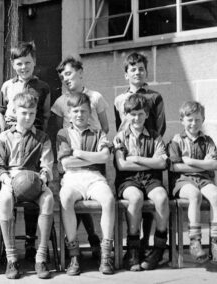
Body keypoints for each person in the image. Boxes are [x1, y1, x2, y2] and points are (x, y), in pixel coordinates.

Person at [0, 41, 51, 260]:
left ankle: (31, 243)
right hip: (12, 137)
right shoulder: (7, 86)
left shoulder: (43, 86)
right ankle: (9, 249)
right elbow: (1, 110)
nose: (23, 67)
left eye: (27, 63)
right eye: (19, 63)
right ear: (13, 64)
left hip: (34, 139)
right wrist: (5, 132)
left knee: (32, 187)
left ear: (34, 62)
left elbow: (45, 115)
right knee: (12, 192)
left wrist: (37, 135)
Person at [0, 92, 54, 279]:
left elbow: (46, 166)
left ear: (36, 114)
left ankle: (41, 256)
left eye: (32, 113)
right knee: (4, 199)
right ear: (14, 112)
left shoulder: (43, 138)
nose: (28, 117)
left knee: (49, 198)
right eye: (24, 113)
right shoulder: (4, 137)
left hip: (34, 178)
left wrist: (41, 180)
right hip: (11, 178)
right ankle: (11, 258)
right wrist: (7, 180)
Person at [51, 56, 107, 258]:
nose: (65, 79)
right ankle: (90, 238)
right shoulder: (60, 102)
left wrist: (91, 150)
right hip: (71, 153)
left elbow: (105, 126)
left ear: (80, 72)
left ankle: (94, 238)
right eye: (61, 77)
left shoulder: (96, 97)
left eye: (68, 73)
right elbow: (60, 131)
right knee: (74, 198)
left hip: (93, 151)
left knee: (90, 195)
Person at [57, 93, 115, 276]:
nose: (79, 115)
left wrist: (77, 153)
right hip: (72, 178)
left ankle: (106, 253)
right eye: (75, 111)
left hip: (94, 176)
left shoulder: (98, 133)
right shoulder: (63, 133)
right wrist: (92, 158)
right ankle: (74, 254)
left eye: (83, 111)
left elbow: (105, 157)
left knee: (108, 199)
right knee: (65, 198)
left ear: (89, 112)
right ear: (69, 113)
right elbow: (65, 164)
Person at [114, 52, 167, 251]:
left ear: (146, 72)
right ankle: (136, 245)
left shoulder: (154, 96)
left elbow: (160, 127)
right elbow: (121, 127)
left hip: (150, 148)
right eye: (133, 69)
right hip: (129, 151)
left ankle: (147, 241)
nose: (137, 72)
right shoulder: (120, 99)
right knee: (136, 198)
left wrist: (148, 151)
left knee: (152, 200)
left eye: (141, 69)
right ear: (126, 74)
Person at [114, 94, 169, 271]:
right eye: (133, 114)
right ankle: (133, 250)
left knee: (161, 198)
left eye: (140, 113)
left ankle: (159, 248)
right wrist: (149, 161)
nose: (136, 118)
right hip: (128, 180)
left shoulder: (155, 136)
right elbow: (122, 165)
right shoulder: (120, 137)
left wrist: (136, 158)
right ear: (126, 115)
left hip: (151, 179)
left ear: (146, 114)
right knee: (135, 198)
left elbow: (161, 163)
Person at [168, 101, 217, 263]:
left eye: (197, 119)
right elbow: (174, 167)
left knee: (215, 195)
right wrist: (203, 164)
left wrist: (189, 161)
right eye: (189, 120)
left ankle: (215, 241)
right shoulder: (176, 140)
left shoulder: (207, 141)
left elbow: (214, 164)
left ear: (202, 120)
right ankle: (195, 241)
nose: (193, 123)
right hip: (183, 181)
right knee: (194, 195)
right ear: (182, 120)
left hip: (204, 179)